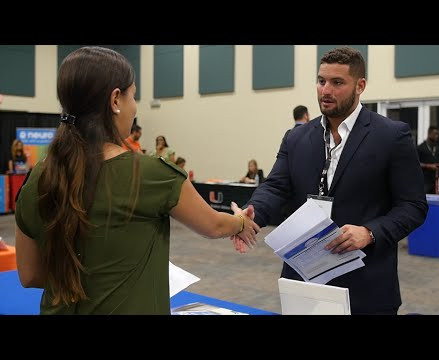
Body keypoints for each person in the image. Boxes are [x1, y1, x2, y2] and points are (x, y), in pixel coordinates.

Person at [14, 46, 259, 315]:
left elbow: (29, 275)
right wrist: (240, 222)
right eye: (133, 96)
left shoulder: (38, 177)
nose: (134, 107)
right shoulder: (152, 174)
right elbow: (212, 225)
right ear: (116, 100)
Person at [232, 47, 427, 315]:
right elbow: (276, 187)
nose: (326, 90)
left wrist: (369, 233)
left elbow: (413, 206)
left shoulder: (392, 136)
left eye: (337, 83)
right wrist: (252, 214)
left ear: (360, 86)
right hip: (303, 280)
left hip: (366, 285)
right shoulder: (297, 137)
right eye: (321, 81)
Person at [417, 126, 439, 194]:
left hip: (435, 180)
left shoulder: (437, 148)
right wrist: (428, 166)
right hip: (424, 181)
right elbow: (415, 163)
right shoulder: (420, 148)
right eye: (435, 134)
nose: (437, 136)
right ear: (429, 134)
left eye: (438, 134)